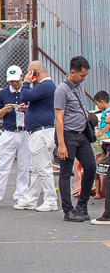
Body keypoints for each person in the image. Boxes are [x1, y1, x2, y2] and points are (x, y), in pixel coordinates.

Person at [54, 56, 97, 222]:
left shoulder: (80, 85)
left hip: (82, 135)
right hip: (68, 135)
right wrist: (61, 144)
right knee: (65, 173)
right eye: (82, 75)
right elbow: (59, 118)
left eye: (85, 76)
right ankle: (68, 210)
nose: (84, 78)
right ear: (72, 72)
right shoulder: (61, 90)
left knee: (91, 167)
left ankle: (82, 206)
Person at [0, 66, 30, 209]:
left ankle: (21, 196)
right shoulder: (4, 93)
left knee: (24, 166)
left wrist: (26, 108)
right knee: (3, 166)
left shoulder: (28, 92)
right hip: (9, 132)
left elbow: (36, 109)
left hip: (25, 132)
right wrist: (4, 110)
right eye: (11, 82)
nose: (14, 84)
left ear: (22, 77)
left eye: (16, 81)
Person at [14, 61, 58, 212]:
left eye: (29, 73)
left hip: (42, 132)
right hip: (39, 131)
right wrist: (29, 108)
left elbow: (24, 95)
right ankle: (31, 198)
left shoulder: (45, 86)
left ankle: (51, 200)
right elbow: (35, 103)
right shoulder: (44, 87)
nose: (27, 76)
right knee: (37, 168)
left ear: (35, 73)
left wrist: (26, 82)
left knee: (43, 167)